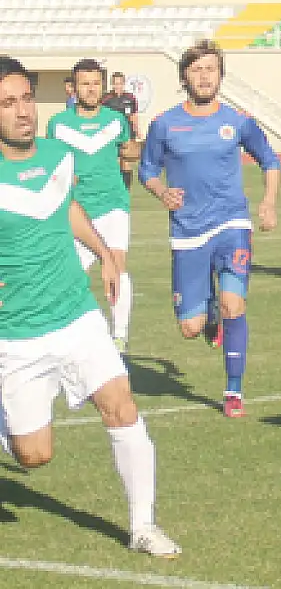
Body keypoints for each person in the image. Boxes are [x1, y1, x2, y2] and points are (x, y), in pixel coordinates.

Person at [0, 55, 180, 557]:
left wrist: (105, 254)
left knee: (121, 403)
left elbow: (67, 206)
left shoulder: (58, 155)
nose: (23, 111)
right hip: (17, 334)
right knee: (34, 456)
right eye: (8, 103)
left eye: (26, 99)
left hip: (77, 315)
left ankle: (143, 526)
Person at [138, 40, 281, 419]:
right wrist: (161, 191)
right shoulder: (164, 124)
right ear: (184, 77)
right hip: (187, 231)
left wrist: (268, 202)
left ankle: (233, 390)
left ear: (221, 76)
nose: (204, 77)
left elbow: (270, 160)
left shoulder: (237, 121)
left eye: (211, 69)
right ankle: (210, 313)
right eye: (197, 69)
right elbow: (147, 170)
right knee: (190, 327)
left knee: (236, 304)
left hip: (232, 223)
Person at [45, 59, 135, 352]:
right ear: (73, 88)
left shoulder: (116, 121)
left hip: (113, 204)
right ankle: (74, 335)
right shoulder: (58, 124)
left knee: (116, 264)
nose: (91, 89)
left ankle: (119, 336)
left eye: (96, 83)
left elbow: (127, 154)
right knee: (71, 277)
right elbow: (54, 164)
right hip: (78, 211)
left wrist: (135, 157)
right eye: (85, 84)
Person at [103, 71, 142, 189]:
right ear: (112, 84)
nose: (117, 86)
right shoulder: (106, 99)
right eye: (115, 84)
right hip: (111, 135)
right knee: (113, 162)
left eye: (119, 83)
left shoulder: (130, 98)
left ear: (123, 84)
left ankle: (126, 189)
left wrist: (137, 130)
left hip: (127, 134)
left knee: (126, 163)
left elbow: (133, 115)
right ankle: (114, 187)